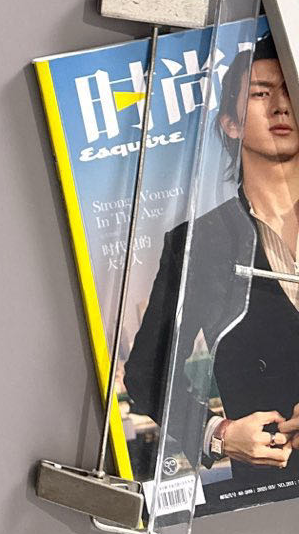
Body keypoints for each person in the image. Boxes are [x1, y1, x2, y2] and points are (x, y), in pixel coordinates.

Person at [124, 35, 299, 496]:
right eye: (261, 92)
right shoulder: (197, 242)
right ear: (230, 124)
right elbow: (145, 372)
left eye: (290, 89)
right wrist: (218, 433)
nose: (281, 105)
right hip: (277, 487)